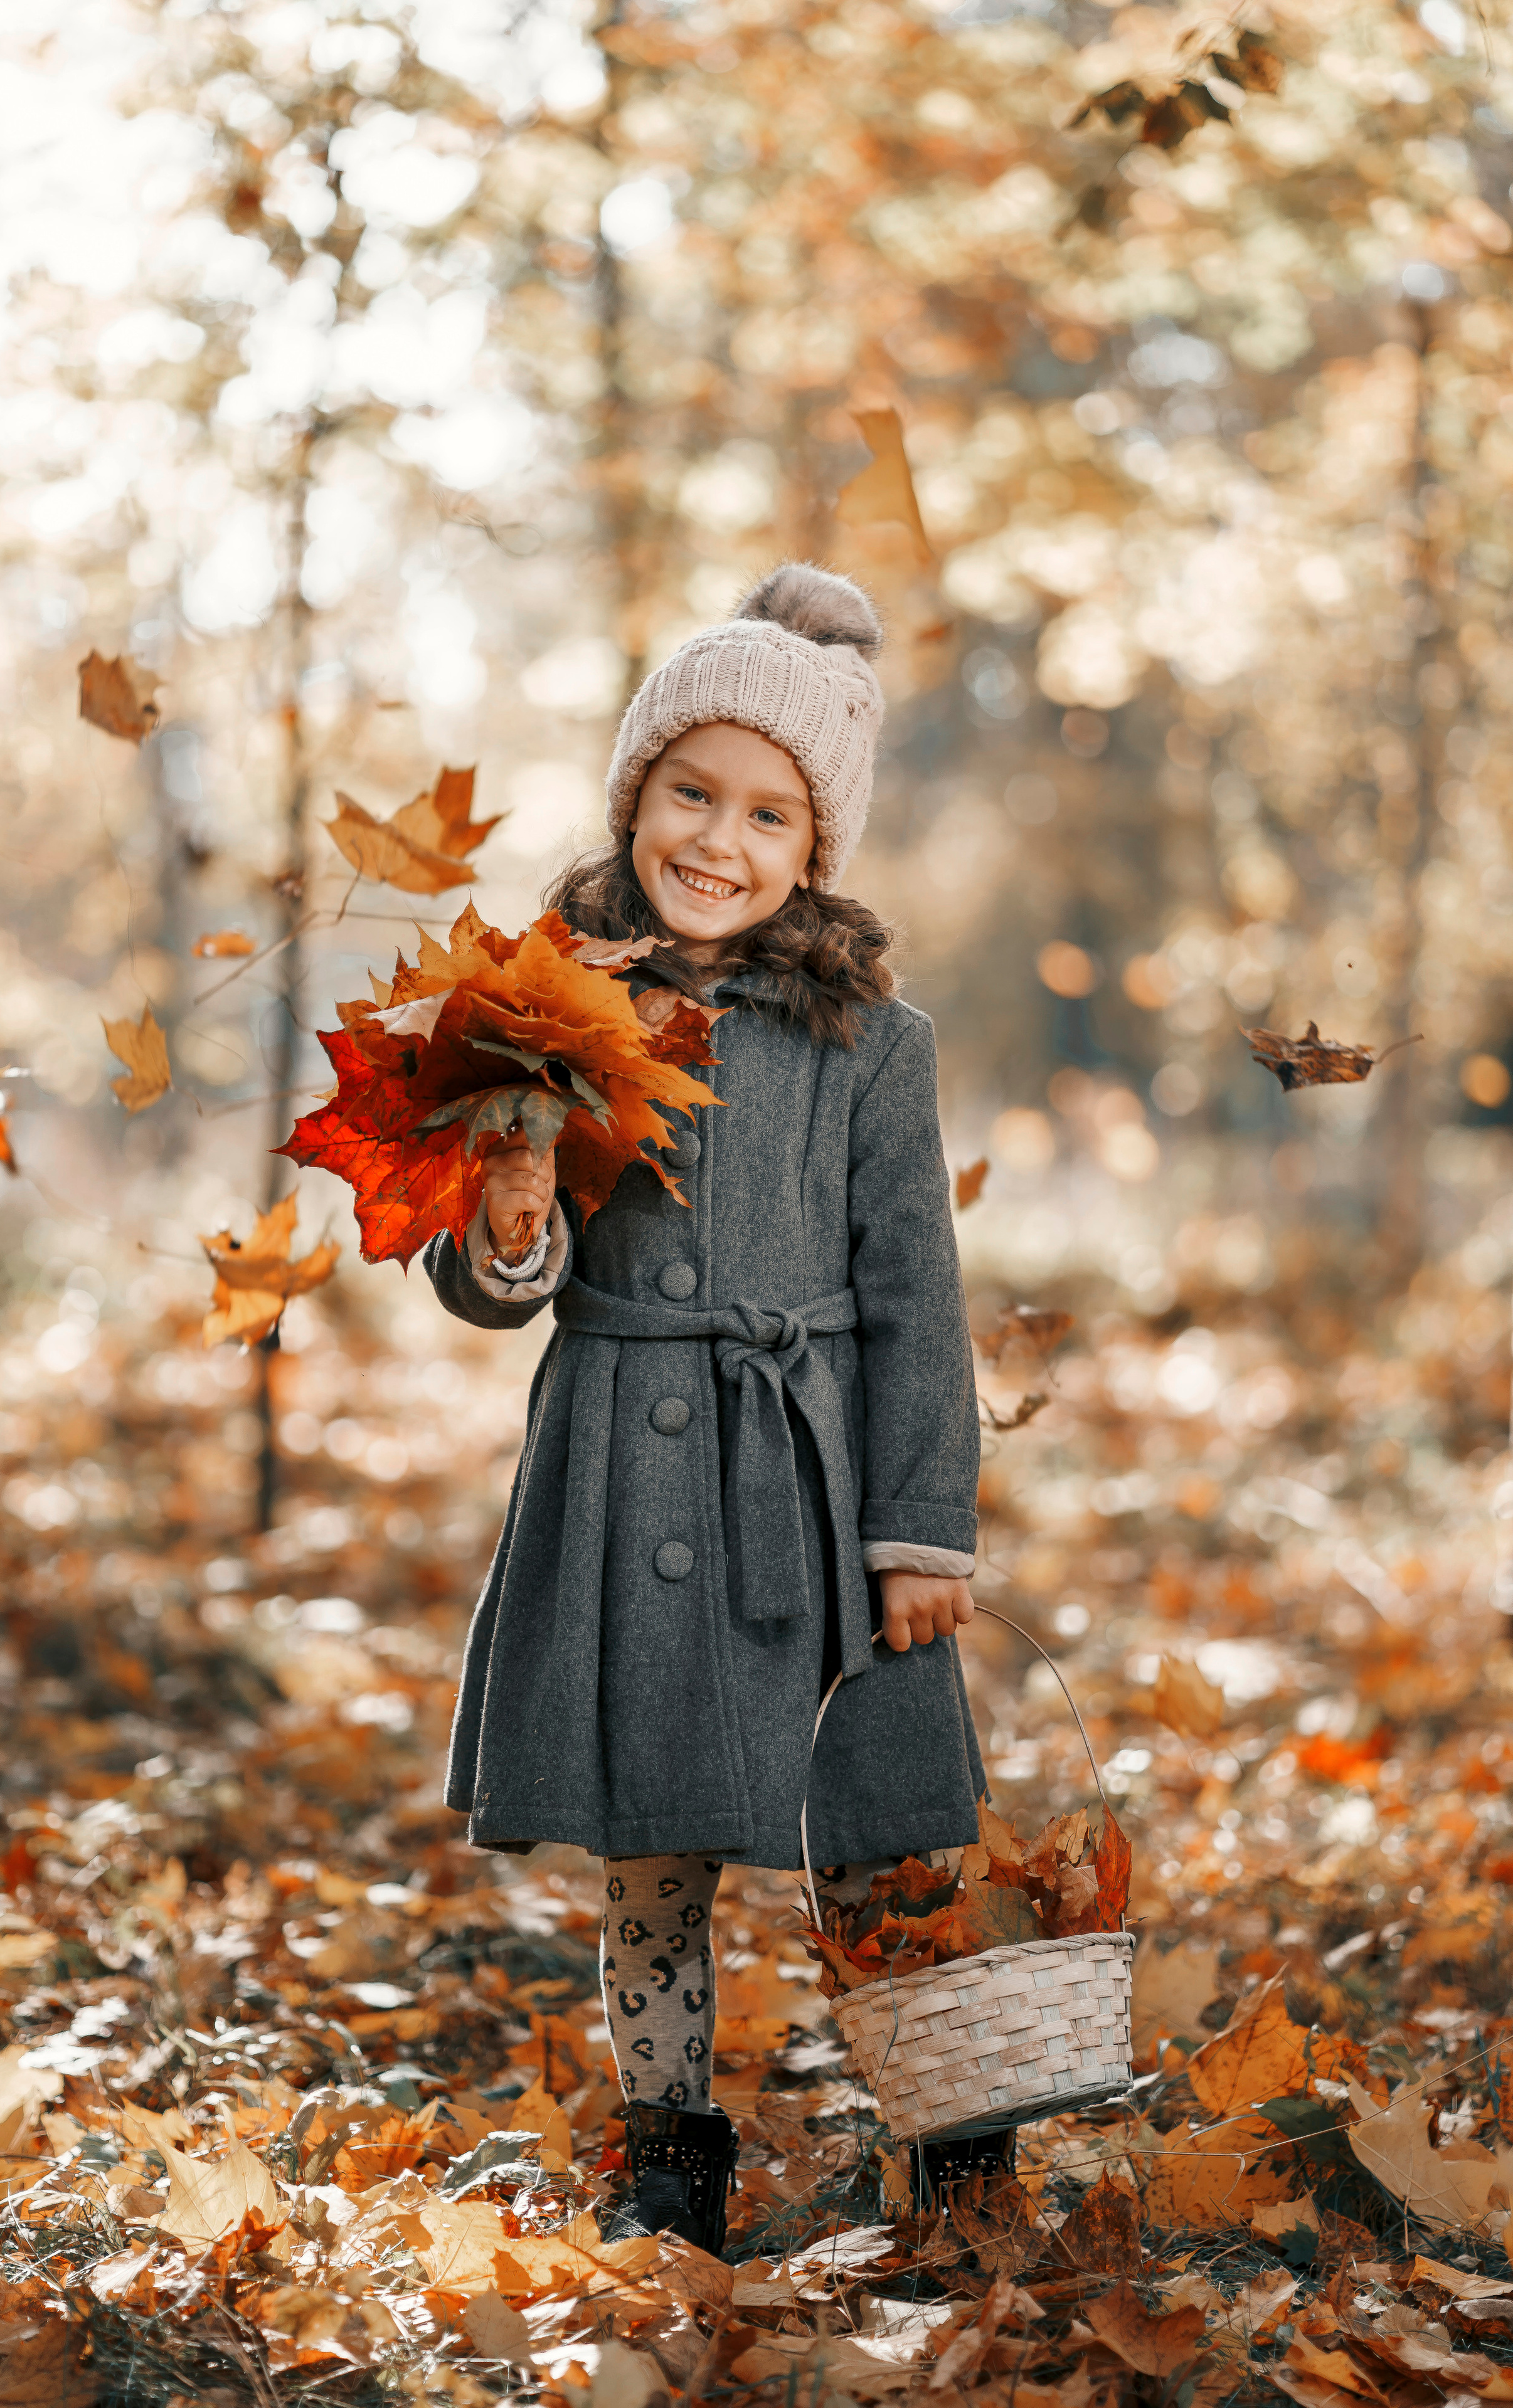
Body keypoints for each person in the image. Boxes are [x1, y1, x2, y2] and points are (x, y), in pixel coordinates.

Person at [424, 564, 992, 2254]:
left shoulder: (873, 1040)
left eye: (768, 814)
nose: (721, 841)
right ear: (636, 793)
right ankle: (671, 2136)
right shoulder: (552, 1007)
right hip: (620, 1453)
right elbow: (481, 1271)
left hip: (806, 1468)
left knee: (880, 1822)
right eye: (692, 793)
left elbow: (918, 1295)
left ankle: (954, 2130)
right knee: (651, 1828)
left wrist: (920, 1530)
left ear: (816, 849)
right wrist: (513, 1221)